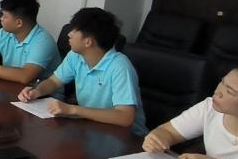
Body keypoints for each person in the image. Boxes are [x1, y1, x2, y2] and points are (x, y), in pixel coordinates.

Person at [17, 7, 146, 135]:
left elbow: (124, 117)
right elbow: (54, 82)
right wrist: (37, 91)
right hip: (92, 129)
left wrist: (73, 110)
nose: (69, 34)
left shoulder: (120, 67)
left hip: (128, 138)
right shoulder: (76, 56)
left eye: (74, 31)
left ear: (88, 42)